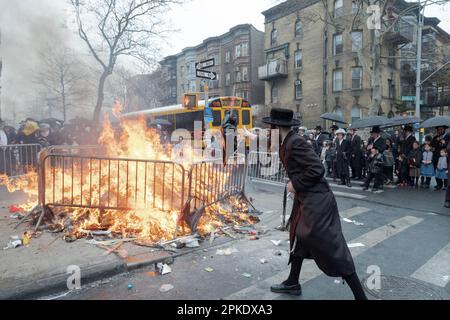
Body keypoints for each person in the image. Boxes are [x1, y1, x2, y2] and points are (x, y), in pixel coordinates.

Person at [262, 108, 367, 300]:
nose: (268, 131)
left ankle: (361, 297)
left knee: (333, 248)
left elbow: (317, 169)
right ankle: (293, 282)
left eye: (270, 127)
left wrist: (295, 183)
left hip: (318, 201)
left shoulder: (296, 142)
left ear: (276, 126)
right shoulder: (286, 141)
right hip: (306, 200)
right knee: (299, 239)